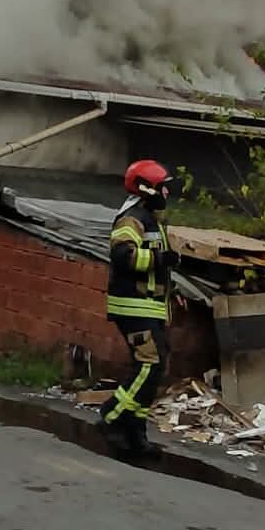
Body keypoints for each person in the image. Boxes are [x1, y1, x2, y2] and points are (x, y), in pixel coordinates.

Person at [99, 158, 177, 460]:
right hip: (133, 306)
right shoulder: (132, 218)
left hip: (150, 307)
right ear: (146, 188)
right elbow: (122, 254)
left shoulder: (150, 219)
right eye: (162, 188)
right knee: (150, 365)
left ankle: (135, 432)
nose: (166, 194)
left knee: (154, 369)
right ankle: (112, 416)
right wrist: (159, 260)